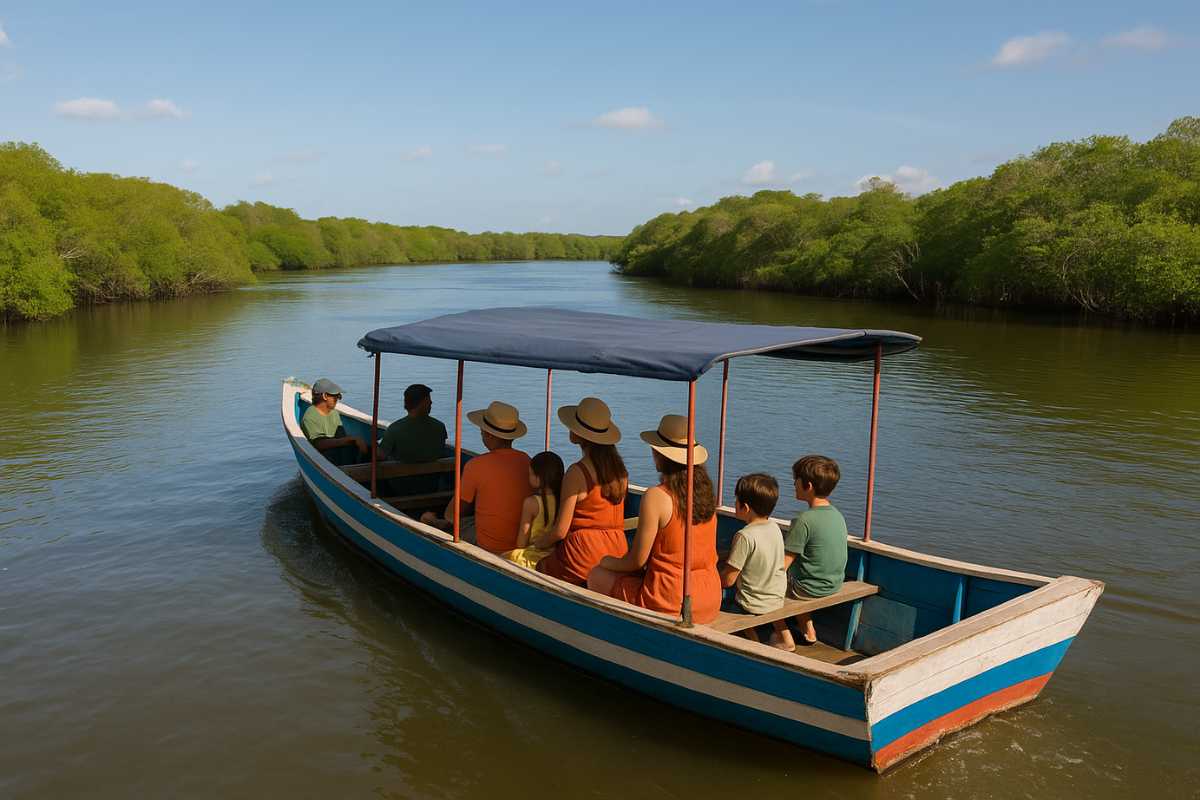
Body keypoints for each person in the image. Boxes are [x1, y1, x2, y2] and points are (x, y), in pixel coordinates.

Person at [588, 414, 720, 625]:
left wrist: (606, 561)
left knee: (596, 575)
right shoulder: (705, 494)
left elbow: (636, 561)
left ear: (660, 454)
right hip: (710, 597)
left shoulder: (657, 496)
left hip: (671, 599)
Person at [536, 397, 629, 586]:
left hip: (582, 555)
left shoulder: (576, 473)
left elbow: (560, 532)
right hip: (617, 551)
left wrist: (539, 543)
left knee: (535, 564)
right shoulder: (621, 472)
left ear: (581, 434)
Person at [420, 401, 530, 554]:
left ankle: (431, 521)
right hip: (521, 540)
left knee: (436, 520)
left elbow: (452, 514)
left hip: (489, 545)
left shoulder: (476, 465)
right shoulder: (527, 460)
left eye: (482, 430)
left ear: (488, 434)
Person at [719, 473, 792, 650]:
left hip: (751, 603)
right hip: (776, 597)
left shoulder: (744, 536)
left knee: (729, 600)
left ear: (744, 507)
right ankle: (786, 638)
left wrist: (709, 576)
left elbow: (728, 580)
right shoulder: (774, 527)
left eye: (736, 501)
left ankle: (753, 642)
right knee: (764, 593)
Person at [784, 455, 849, 646]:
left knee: (765, 583)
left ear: (808, 486)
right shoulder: (838, 515)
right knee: (802, 573)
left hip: (807, 589)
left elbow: (782, 565)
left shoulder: (803, 520)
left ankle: (782, 635)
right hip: (834, 584)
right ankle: (808, 628)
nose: (793, 483)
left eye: (796, 480)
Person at [502, 451, 565, 570]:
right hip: (553, 555)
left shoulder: (532, 503)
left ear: (538, 478)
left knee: (504, 557)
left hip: (533, 554)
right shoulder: (563, 500)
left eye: (530, 474)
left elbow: (521, 542)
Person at [301, 378, 368, 465]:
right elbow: (319, 444)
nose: (338, 399)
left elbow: (341, 436)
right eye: (335, 396)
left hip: (339, 451)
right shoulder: (310, 417)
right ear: (325, 396)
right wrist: (349, 440)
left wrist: (356, 442)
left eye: (339, 396)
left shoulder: (334, 413)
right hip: (324, 457)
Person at [379, 383, 447, 463]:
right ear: (422, 403)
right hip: (434, 474)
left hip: (403, 474)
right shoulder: (440, 426)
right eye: (429, 400)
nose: (431, 402)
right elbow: (441, 450)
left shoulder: (395, 429)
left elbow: (380, 456)